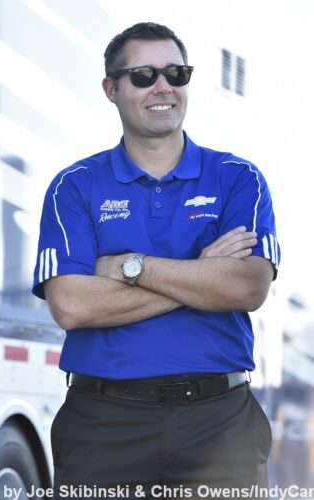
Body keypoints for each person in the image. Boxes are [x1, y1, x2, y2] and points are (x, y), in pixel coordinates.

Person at [33, 23, 278, 499]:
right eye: (144, 75)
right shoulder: (75, 186)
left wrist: (132, 267)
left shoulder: (237, 178)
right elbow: (72, 307)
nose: (163, 87)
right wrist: (202, 274)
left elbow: (248, 287)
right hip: (104, 426)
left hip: (220, 423)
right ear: (112, 88)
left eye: (176, 73)